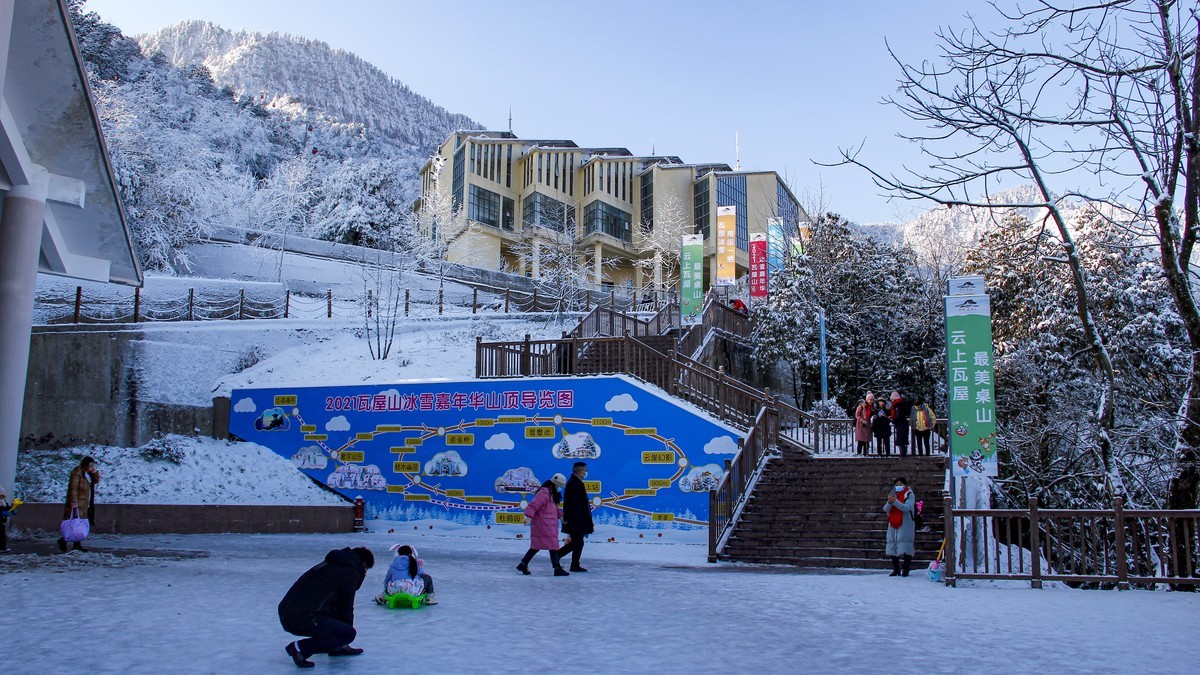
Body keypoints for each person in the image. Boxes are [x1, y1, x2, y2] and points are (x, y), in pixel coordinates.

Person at [278, 546, 374, 668]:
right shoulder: (349, 572)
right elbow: (346, 606)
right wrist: (344, 637)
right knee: (348, 633)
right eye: (366, 569)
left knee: (335, 618)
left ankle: (336, 647)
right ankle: (299, 648)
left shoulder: (333, 564)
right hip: (302, 617)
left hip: (288, 612)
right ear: (364, 564)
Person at [516, 473, 569, 576]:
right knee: (553, 546)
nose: (560, 489)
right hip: (543, 524)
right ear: (554, 484)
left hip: (547, 524)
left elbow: (554, 509)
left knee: (537, 546)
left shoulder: (551, 494)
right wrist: (528, 516)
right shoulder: (544, 494)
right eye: (559, 486)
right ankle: (557, 568)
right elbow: (533, 505)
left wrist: (561, 517)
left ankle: (523, 564)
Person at [556, 462, 594, 572]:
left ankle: (574, 564)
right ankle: (558, 556)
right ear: (580, 471)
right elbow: (575, 505)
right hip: (576, 520)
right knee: (577, 542)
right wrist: (577, 520)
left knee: (578, 542)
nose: (586, 472)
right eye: (585, 470)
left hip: (578, 519)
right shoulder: (574, 483)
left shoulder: (575, 482)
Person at [58, 456, 99, 553]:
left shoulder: (87, 474)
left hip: (84, 503)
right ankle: (64, 540)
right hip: (77, 502)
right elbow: (73, 487)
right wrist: (73, 501)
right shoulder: (77, 472)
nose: (91, 467)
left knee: (79, 524)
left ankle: (76, 545)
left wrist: (94, 471)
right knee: (73, 523)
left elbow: (96, 480)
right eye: (90, 465)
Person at [883, 477, 916, 576]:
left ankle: (905, 569)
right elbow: (885, 509)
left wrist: (895, 502)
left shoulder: (909, 495)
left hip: (906, 523)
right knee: (893, 545)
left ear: (905, 485)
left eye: (900, 484)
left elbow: (907, 507)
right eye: (896, 485)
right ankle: (896, 569)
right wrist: (890, 501)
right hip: (893, 523)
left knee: (906, 545)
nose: (898, 487)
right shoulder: (893, 495)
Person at [889, 391, 912, 458]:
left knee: (901, 440)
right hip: (903, 423)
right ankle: (904, 454)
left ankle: (902, 455)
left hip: (900, 424)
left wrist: (894, 420)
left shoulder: (897, 405)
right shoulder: (902, 404)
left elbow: (898, 415)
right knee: (903, 440)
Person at [0, 485, 12, 553]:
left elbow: (8, 507)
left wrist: (12, 510)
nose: (2, 497)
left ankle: (2, 547)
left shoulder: (4, 502)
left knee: (2, 534)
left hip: (2, 521)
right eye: (1, 495)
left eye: (3, 496)